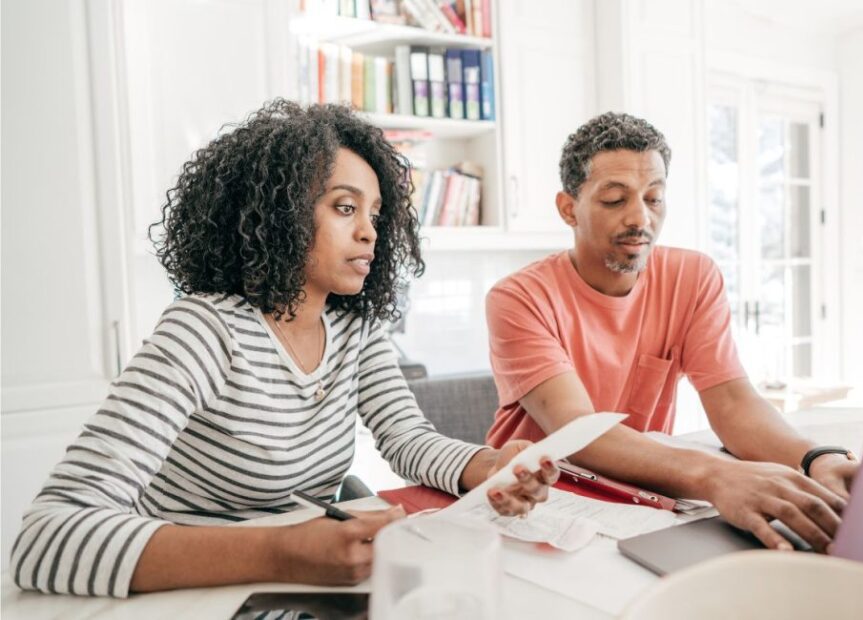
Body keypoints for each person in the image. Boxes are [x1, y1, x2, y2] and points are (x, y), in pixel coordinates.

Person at [10, 100, 558, 598]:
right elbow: (45, 534)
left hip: (291, 588)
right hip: (184, 589)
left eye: (375, 214)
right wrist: (282, 550)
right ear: (279, 214)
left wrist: (488, 467)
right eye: (346, 208)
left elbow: (407, 438)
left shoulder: (355, 329)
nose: (370, 232)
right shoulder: (204, 330)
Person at [484, 111, 858, 553]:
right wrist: (716, 475)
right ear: (569, 208)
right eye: (614, 200)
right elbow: (577, 431)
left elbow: (733, 402)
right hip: (534, 508)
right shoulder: (518, 297)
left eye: (654, 198)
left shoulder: (693, 276)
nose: (639, 218)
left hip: (640, 496)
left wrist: (816, 458)